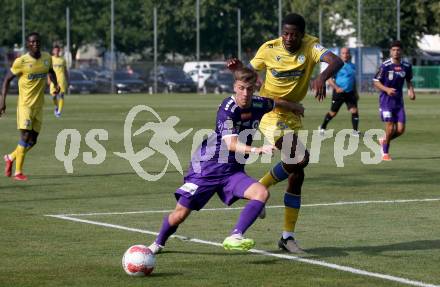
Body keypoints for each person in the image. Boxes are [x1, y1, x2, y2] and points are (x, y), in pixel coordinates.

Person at [147, 67, 305, 254]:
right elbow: (231, 144)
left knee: (261, 193)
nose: (245, 93)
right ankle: (157, 243)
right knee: (179, 215)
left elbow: (274, 102)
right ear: (234, 87)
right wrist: (258, 149)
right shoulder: (227, 109)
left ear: (254, 88)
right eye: (241, 88)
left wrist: (294, 107)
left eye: (249, 89)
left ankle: (235, 235)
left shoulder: (258, 103)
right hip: (207, 170)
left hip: (232, 172)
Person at [227, 13, 343, 253]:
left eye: (294, 34)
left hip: (292, 114)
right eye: (285, 33)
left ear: (302, 34)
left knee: (297, 174)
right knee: (300, 158)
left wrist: (321, 76)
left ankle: (287, 236)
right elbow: (247, 76)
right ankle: (259, 188)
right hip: (271, 111)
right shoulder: (269, 48)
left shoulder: (311, 45)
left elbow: (336, 61)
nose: (289, 38)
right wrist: (239, 69)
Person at [1, 32, 59, 181]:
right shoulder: (22, 61)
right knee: (25, 136)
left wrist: (55, 84)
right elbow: (7, 80)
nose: (35, 44)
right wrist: (2, 101)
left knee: (33, 141)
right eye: (32, 42)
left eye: (37, 41)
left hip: (39, 106)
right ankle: (18, 172)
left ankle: (10, 157)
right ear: (28, 44)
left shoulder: (47, 58)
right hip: (25, 106)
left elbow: (51, 72)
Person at [373, 40, 415, 161]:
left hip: (398, 102)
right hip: (386, 101)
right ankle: (385, 153)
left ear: (401, 51)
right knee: (390, 128)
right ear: (390, 51)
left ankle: (383, 140)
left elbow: (409, 80)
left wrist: (411, 91)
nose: (396, 52)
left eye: (398, 50)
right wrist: (386, 89)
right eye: (394, 50)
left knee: (401, 130)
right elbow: (376, 81)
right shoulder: (385, 65)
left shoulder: (406, 66)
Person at [319, 47, 359, 136]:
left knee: (354, 111)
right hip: (339, 93)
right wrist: (336, 88)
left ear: (350, 54)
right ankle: (322, 127)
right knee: (333, 113)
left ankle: (355, 131)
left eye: (347, 53)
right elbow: (329, 79)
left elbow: (353, 80)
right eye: (343, 53)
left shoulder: (353, 66)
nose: (345, 55)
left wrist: (355, 92)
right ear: (341, 54)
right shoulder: (337, 65)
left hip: (350, 92)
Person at [49, 45, 68, 118]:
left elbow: (65, 70)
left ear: (59, 51)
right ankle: (56, 107)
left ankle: (59, 112)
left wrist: (67, 79)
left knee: (61, 96)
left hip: (62, 80)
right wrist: (48, 79)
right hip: (53, 80)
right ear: (53, 51)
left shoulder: (63, 59)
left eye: (58, 50)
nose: (57, 52)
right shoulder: (51, 59)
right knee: (54, 96)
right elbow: (49, 70)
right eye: (55, 50)